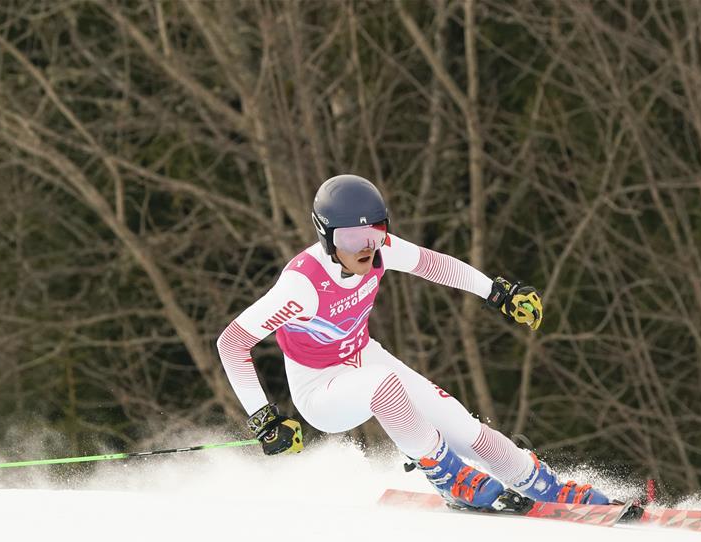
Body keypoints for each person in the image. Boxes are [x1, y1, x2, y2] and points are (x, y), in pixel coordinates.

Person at [217, 174, 609, 508]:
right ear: (326, 237)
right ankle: (445, 474)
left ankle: (543, 486)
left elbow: (434, 264)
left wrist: (496, 293)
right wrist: (264, 419)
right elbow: (232, 342)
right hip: (320, 390)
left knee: (462, 426)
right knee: (384, 386)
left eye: (375, 232)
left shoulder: (379, 251)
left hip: (364, 358)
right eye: (352, 239)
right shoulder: (302, 285)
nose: (366, 248)